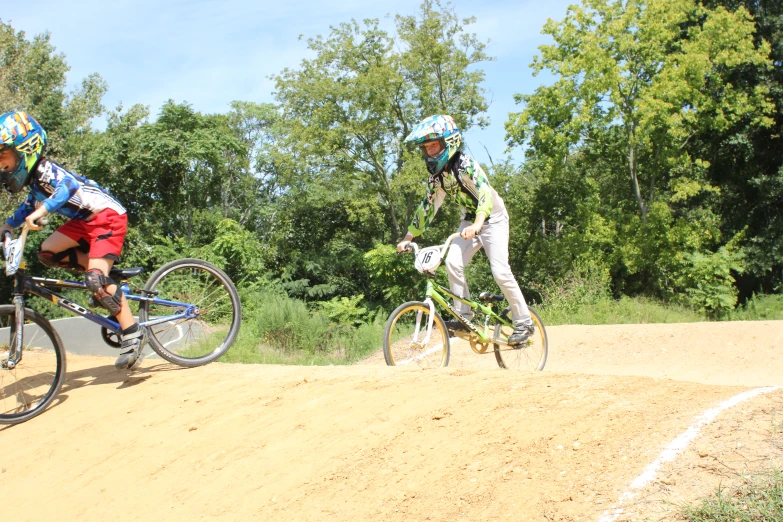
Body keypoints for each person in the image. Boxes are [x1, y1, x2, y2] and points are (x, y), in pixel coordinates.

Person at [0, 110, 144, 369]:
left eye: (3, 157)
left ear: (26, 149)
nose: (2, 166)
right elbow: (28, 205)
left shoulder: (46, 170)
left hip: (106, 217)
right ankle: (104, 280)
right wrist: (8, 225)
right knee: (47, 253)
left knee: (95, 279)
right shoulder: (35, 182)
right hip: (83, 223)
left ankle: (132, 331)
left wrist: (43, 211)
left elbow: (68, 187)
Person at [396, 114, 535, 344]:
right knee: (452, 262)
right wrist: (408, 236)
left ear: (448, 142)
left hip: (493, 218)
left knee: (500, 271)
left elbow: (484, 193)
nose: (430, 151)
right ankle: (464, 317)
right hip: (471, 221)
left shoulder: (466, 164)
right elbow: (427, 208)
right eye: (426, 147)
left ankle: (524, 322)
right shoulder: (437, 178)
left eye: (434, 145)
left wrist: (479, 224)